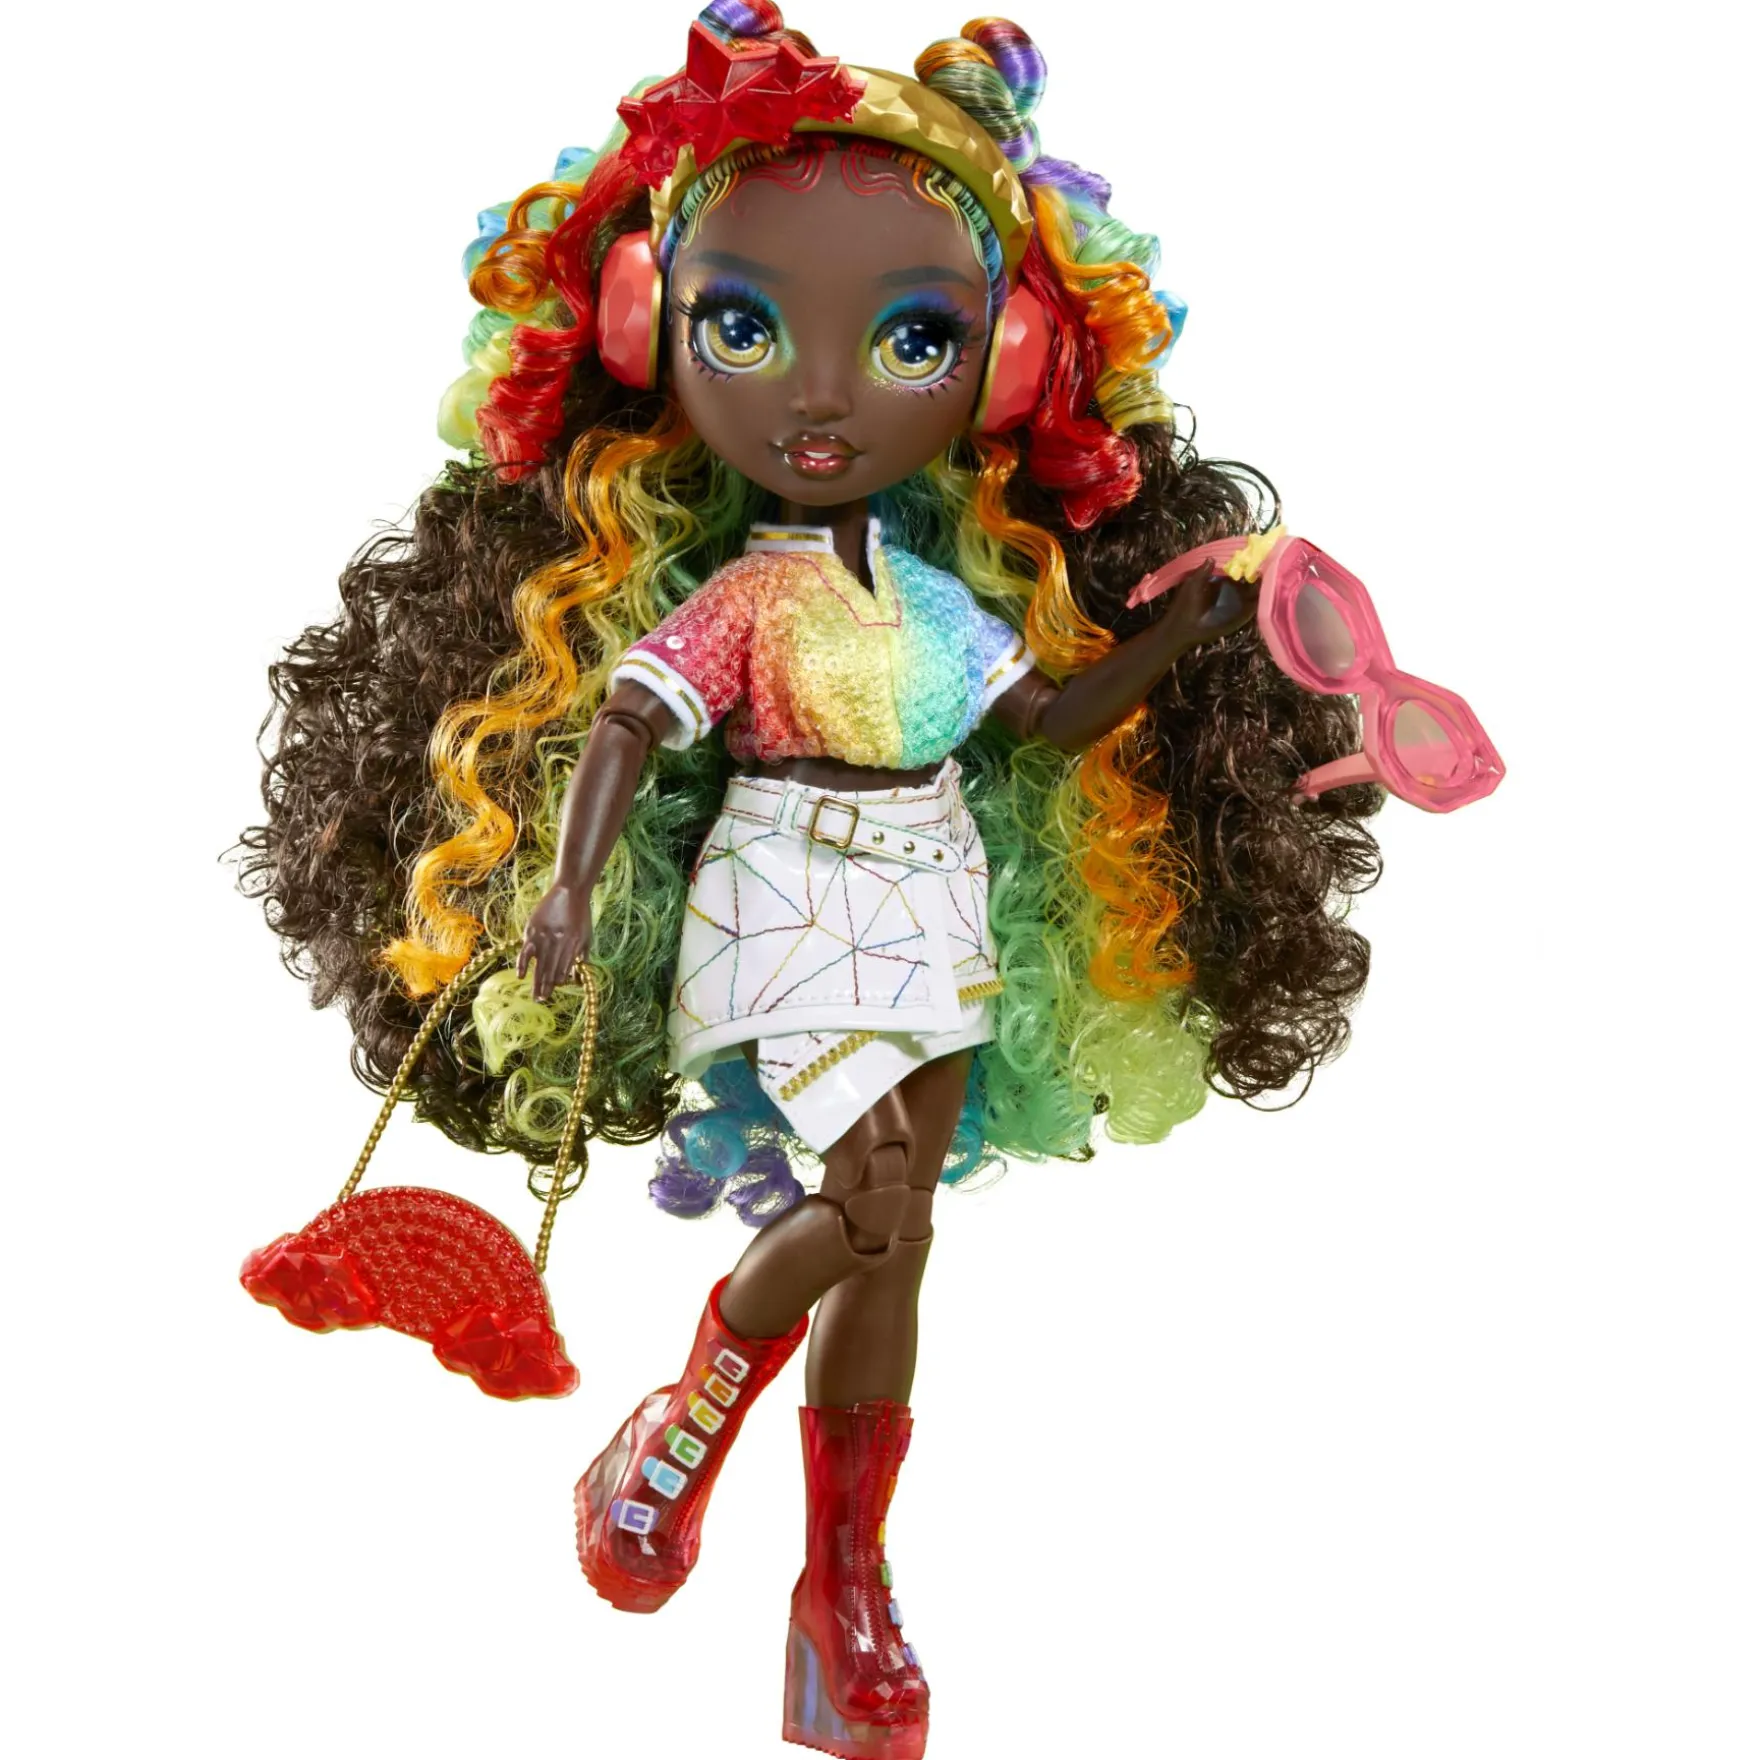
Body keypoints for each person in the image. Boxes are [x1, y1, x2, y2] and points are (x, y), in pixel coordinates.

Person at [241, 9, 1383, 1755]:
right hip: (781, 896)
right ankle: (679, 1426)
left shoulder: (938, 604)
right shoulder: (744, 599)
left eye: (912, 337)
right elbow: (630, 719)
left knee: (896, 1244)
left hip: (934, 892)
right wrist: (568, 887)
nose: (828, 398)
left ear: (1007, 366)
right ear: (648, 329)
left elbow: (1054, 721)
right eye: (747, 329)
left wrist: (1205, 617)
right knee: (861, 1209)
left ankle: (840, 1586)